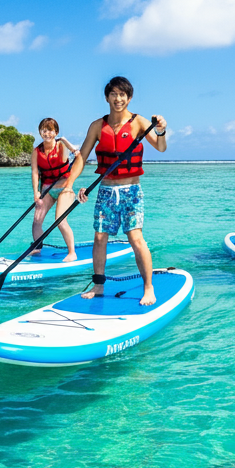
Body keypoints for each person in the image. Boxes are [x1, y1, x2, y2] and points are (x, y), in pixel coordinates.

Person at [64, 76, 167, 306]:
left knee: (135, 238)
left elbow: (160, 148)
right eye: (114, 94)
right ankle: (99, 285)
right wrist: (69, 185)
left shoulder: (139, 122)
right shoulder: (97, 126)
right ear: (107, 97)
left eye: (122, 94)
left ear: (129, 98)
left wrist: (161, 130)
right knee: (100, 237)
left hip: (132, 191)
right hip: (106, 191)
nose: (118, 99)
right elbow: (82, 157)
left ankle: (148, 287)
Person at [30, 117, 78, 259]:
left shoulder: (61, 147)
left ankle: (72, 252)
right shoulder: (36, 152)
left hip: (65, 188)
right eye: (44, 130)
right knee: (37, 220)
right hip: (47, 189)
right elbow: (34, 173)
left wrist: (63, 140)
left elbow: (76, 153)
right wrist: (36, 193)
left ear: (55, 132)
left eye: (50, 130)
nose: (47, 133)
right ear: (40, 132)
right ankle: (37, 248)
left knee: (60, 220)